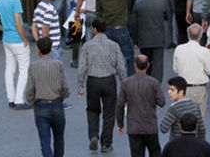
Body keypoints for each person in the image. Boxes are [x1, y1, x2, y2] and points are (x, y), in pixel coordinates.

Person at [78, 17, 126, 153]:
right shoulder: (113, 45)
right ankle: (106, 143)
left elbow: (82, 67)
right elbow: (121, 66)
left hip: (93, 81)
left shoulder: (87, 45)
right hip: (109, 80)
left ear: (94, 29)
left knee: (92, 110)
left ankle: (93, 135)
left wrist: (80, 84)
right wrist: (124, 83)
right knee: (109, 112)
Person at [0, 0, 31, 108]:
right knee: (23, 69)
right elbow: (18, 21)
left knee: (10, 69)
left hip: (6, 39)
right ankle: (19, 99)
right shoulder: (15, 1)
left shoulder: (0, 0)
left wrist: (3, 29)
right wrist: (24, 37)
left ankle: (11, 98)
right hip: (17, 40)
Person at [26, 37, 69, 157]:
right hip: (57, 104)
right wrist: (62, 97)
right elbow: (65, 86)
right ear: (51, 50)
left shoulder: (33, 66)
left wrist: (31, 101)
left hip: (41, 105)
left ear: (37, 49)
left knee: (45, 141)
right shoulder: (58, 64)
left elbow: (30, 88)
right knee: (59, 138)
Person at [117, 54, 166, 157]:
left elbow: (120, 105)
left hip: (134, 126)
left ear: (135, 65)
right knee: (155, 152)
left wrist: (120, 124)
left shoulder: (126, 83)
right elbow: (162, 102)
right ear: (148, 65)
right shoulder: (154, 83)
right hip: (150, 126)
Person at [173, 24, 210, 121]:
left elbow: (176, 69)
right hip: (198, 88)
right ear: (200, 36)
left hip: (182, 88)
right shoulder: (204, 51)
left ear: (188, 35)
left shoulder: (179, 49)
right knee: (198, 119)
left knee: (183, 117)